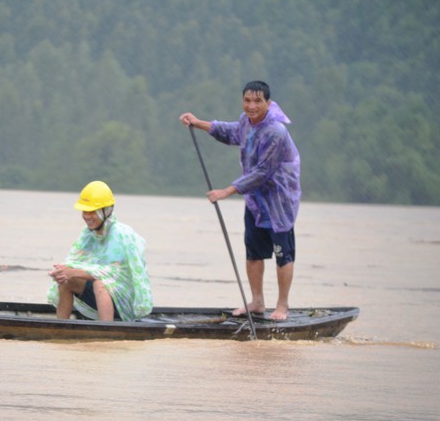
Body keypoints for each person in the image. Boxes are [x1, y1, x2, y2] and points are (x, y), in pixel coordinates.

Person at [179, 80, 301, 320]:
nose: (251, 106)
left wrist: (227, 191)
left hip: (279, 201)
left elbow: (263, 171)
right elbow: (230, 131)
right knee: (253, 252)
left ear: (268, 102)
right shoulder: (247, 122)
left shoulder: (276, 132)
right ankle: (256, 302)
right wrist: (198, 122)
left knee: (282, 253)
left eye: (257, 101)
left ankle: (282, 306)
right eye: (247, 100)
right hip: (256, 200)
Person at [47, 181, 153, 321]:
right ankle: (60, 328)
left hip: (125, 301)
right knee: (67, 281)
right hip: (100, 298)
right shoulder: (88, 234)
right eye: (85, 211)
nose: (87, 216)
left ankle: (105, 329)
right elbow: (76, 262)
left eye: (92, 211)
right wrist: (63, 273)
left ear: (106, 211)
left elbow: (114, 273)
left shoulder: (122, 233)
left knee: (100, 283)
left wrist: (73, 271)